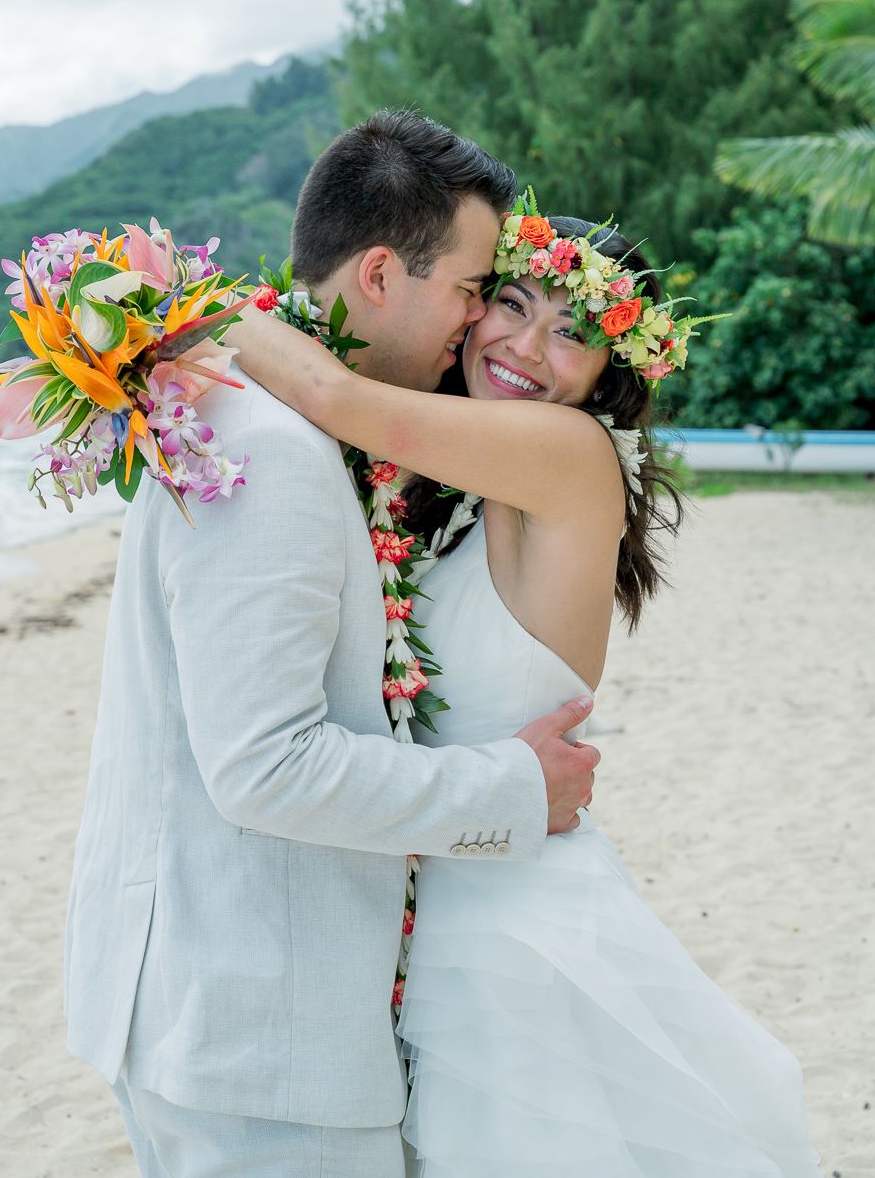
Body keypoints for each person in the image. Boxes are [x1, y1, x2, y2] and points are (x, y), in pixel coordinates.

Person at [224, 193, 823, 1176]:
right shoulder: (462, 491)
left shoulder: (568, 452)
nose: (530, 347)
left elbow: (337, 398)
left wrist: (168, 309)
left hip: (512, 944)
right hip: (438, 909)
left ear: (608, 373)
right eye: (513, 303)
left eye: (574, 332)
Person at [63, 113, 600, 1178]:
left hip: (228, 1014)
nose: (481, 320)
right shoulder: (274, 449)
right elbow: (264, 765)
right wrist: (510, 790)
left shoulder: (240, 411)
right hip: (259, 1043)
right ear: (378, 274)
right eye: (472, 287)